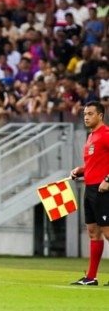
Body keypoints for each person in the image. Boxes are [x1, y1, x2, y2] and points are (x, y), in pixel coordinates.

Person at [69, 101, 109, 286]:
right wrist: (80, 170)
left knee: (108, 232)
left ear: (100, 115)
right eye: (85, 113)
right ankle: (91, 277)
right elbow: (96, 164)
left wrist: (108, 180)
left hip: (103, 190)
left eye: (90, 113)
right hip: (90, 188)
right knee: (93, 232)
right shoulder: (91, 136)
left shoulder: (106, 134)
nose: (86, 116)